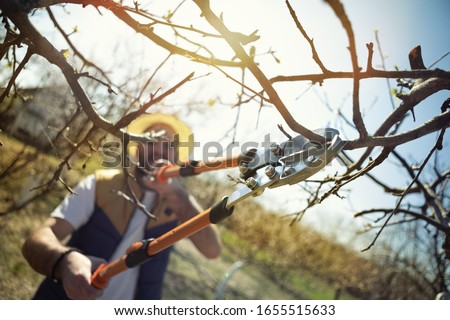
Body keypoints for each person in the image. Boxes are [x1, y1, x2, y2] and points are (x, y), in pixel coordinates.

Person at [22, 113, 221, 299]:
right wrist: (64, 260)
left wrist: (177, 196)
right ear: (138, 147)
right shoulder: (100, 185)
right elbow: (38, 239)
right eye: (152, 141)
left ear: (176, 158)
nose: (160, 150)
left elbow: (212, 250)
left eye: (169, 146)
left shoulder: (179, 203)